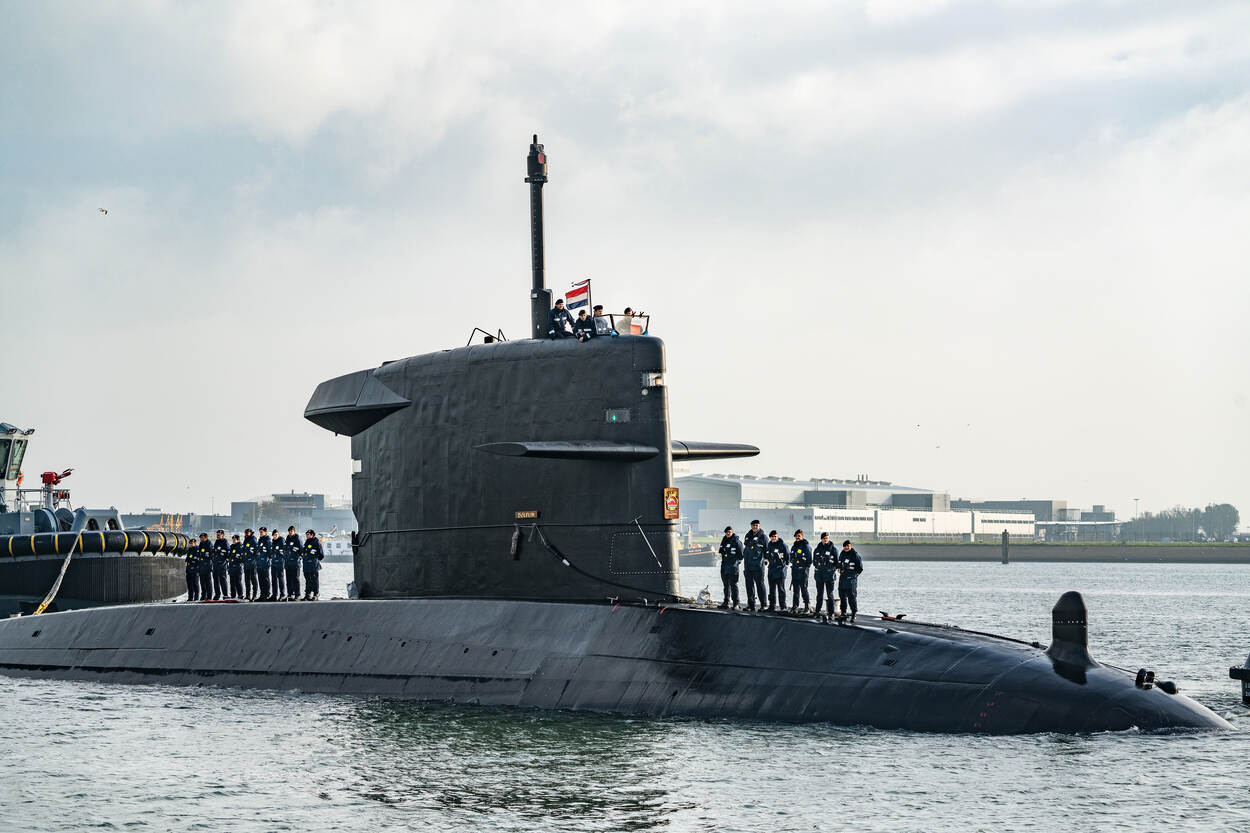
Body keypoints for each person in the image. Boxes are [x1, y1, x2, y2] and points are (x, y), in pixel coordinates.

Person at [741, 519, 768, 611]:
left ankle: (764, 604)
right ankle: (751, 605)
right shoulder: (748, 535)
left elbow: (767, 550)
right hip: (748, 565)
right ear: (751, 526)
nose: (755, 527)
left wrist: (765, 561)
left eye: (756, 525)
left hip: (758, 566)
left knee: (760, 585)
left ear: (759, 526)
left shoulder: (763, 537)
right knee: (749, 585)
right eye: (753, 525)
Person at [837, 540, 864, 624]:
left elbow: (860, 568)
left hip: (851, 579)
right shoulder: (842, 554)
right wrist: (839, 569)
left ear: (850, 546)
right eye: (845, 546)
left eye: (848, 546)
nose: (846, 547)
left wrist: (854, 576)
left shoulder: (855, 555)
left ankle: (853, 613)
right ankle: (843, 613)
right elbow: (839, 564)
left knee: (851, 597)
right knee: (842, 596)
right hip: (843, 578)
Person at [717, 525, 743, 609]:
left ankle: (736, 603)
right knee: (726, 586)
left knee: (733, 585)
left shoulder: (737, 541)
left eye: (729, 532)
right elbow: (721, 551)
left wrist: (735, 562)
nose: (728, 533)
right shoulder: (724, 540)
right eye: (727, 532)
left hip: (733, 567)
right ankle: (726, 602)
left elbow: (741, 555)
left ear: (732, 532)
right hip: (724, 566)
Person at [812, 532, 838, 618]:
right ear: (821, 539)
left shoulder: (833, 549)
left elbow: (837, 562)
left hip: (829, 575)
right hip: (819, 574)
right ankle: (817, 611)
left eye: (827, 538)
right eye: (824, 538)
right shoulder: (817, 549)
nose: (825, 539)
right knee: (819, 594)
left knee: (829, 594)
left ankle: (831, 613)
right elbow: (814, 561)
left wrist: (831, 569)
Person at [764, 530, 789, 611]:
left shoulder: (782, 545)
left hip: (780, 570)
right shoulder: (769, 545)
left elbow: (788, 557)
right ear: (770, 537)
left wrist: (785, 566)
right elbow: (767, 556)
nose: (774, 538)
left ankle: (783, 606)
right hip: (771, 570)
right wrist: (766, 561)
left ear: (777, 536)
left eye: (775, 536)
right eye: (772, 537)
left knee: (781, 589)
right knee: (772, 589)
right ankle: (772, 606)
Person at [789, 529, 812, 613]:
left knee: (803, 588)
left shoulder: (805, 546)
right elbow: (791, 557)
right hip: (795, 570)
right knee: (795, 589)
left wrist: (804, 567)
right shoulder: (794, 546)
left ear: (802, 536)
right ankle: (795, 606)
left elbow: (809, 560)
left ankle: (807, 606)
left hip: (803, 570)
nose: (797, 537)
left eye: (799, 536)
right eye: (796, 536)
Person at [301, 529, 325, 600]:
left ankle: (316, 593)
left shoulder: (316, 542)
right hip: (306, 564)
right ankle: (308, 594)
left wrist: (315, 559)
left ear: (312, 535)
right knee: (308, 579)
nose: (307, 536)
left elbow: (321, 554)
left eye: (308, 534)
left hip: (313, 564)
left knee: (314, 579)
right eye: (306, 534)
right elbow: (304, 552)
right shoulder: (307, 542)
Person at [284, 526, 302, 601]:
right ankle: (290, 594)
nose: (290, 532)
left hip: (295, 563)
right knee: (288, 580)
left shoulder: (297, 539)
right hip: (288, 563)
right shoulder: (287, 539)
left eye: (291, 531)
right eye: (289, 531)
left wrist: (297, 557)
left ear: (294, 531)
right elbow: (285, 549)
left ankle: (297, 595)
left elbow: (301, 550)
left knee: (296, 579)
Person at [211, 530, 229, 600]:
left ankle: (225, 594)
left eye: (219, 535)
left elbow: (227, 553)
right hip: (215, 564)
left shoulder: (225, 542)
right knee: (215, 581)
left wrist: (222, 554)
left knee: (222, 580)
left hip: (222, 565)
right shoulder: (216, 542)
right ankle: (217, 595)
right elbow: (214, 551)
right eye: (217, 535)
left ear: (222, 535)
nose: (217, 536)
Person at [255, 526, 272, 601]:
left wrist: (266, 560)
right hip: (259, 563)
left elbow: (270, 553)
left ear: (265, 532)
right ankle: (262, 594)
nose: (260, 533)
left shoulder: (267, 540)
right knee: (260, 580)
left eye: (262, 532)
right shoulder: (260, 540)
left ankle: (266, 594)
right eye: (260, 532)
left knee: (265, 579)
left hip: (265, 563)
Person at [270, 528, 287, 601]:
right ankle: (274, 595)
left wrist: (282, 558)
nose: (275, 536)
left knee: (280, 579)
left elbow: (285, 551)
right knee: (273, 579)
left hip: (280, 562)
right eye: (274, 535)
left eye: (276, 535)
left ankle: (282, 594)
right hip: (273, 562)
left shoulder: (281, 541)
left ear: (278, 535)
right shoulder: (273, 542)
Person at [242, 528, 258, 601]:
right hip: (246, 563)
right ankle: (247, 595)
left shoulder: (253, 540)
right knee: (247, 580)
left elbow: (257, 551)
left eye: (248, 533)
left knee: (253, 579)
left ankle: (254, 595)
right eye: (246, 533)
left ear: (251, 533)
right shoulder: (246, 540)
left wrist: (254, 560)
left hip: (252, 563)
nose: (246, 534)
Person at [195, 533, 213, 601]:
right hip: (201, 566)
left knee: (208, 582)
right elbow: (198, 554)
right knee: (202, 583)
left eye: (202, 537)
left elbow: (211, 555)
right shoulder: (201, 544)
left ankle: (209, 596)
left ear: (206, 538)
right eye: (200, 537)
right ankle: (203, 596)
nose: (201, 539)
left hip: (207, 566)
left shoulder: (209, 544)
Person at [227, 534, 245, 599]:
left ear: (238, 540)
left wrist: (238, 558)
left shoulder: (240, 547)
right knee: (232, 583)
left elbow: (242, 558)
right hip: (231, 567)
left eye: (235, 539)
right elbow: (229, 556)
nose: (233, 541)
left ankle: (240, 595)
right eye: (233, 539)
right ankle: (233, 595)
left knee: (238, 582)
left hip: (237, 567)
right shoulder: (231, 547)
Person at [184, 536, 200, 601]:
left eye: (192, 543)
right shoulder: (189, 550)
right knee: (189, 584)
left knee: (195, 584)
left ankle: (196, 597)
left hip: (195, 569)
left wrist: (191, 559)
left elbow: (196, 559)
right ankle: (190, 597)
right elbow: (188, 559)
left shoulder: (197, 550)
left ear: (195, 543)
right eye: (190, 543)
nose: (191, 544)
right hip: (189, 569)